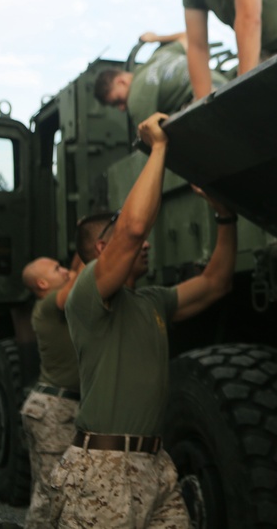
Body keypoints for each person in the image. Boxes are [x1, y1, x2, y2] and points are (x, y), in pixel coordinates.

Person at [49, 112, 238, 528]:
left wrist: (226, 217)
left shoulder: (152, 301)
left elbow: (216, 282)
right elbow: (134, 228)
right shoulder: (88, 295)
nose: (147, 243)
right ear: (102, 248)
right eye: (122, 239)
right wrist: (159, 148)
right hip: (102, 468)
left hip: (155, 464)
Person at [19, 255, 81, 529]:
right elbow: (78, 283)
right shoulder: (47, 304)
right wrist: (93, 254)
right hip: (54, 409)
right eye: (58, 268)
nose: (65, 271)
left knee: (50, 490)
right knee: (51, 494)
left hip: (51, 407)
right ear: (43, 283)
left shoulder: (51, 305)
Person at [94, 31, 228, 126]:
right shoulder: (159, 54)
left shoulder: (135, 98)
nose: (122, 108)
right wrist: (156, 38)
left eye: (117, 101)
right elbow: (188, 37)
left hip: (207, 102)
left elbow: (151, 138)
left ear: (121, 82)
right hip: (224, 85)